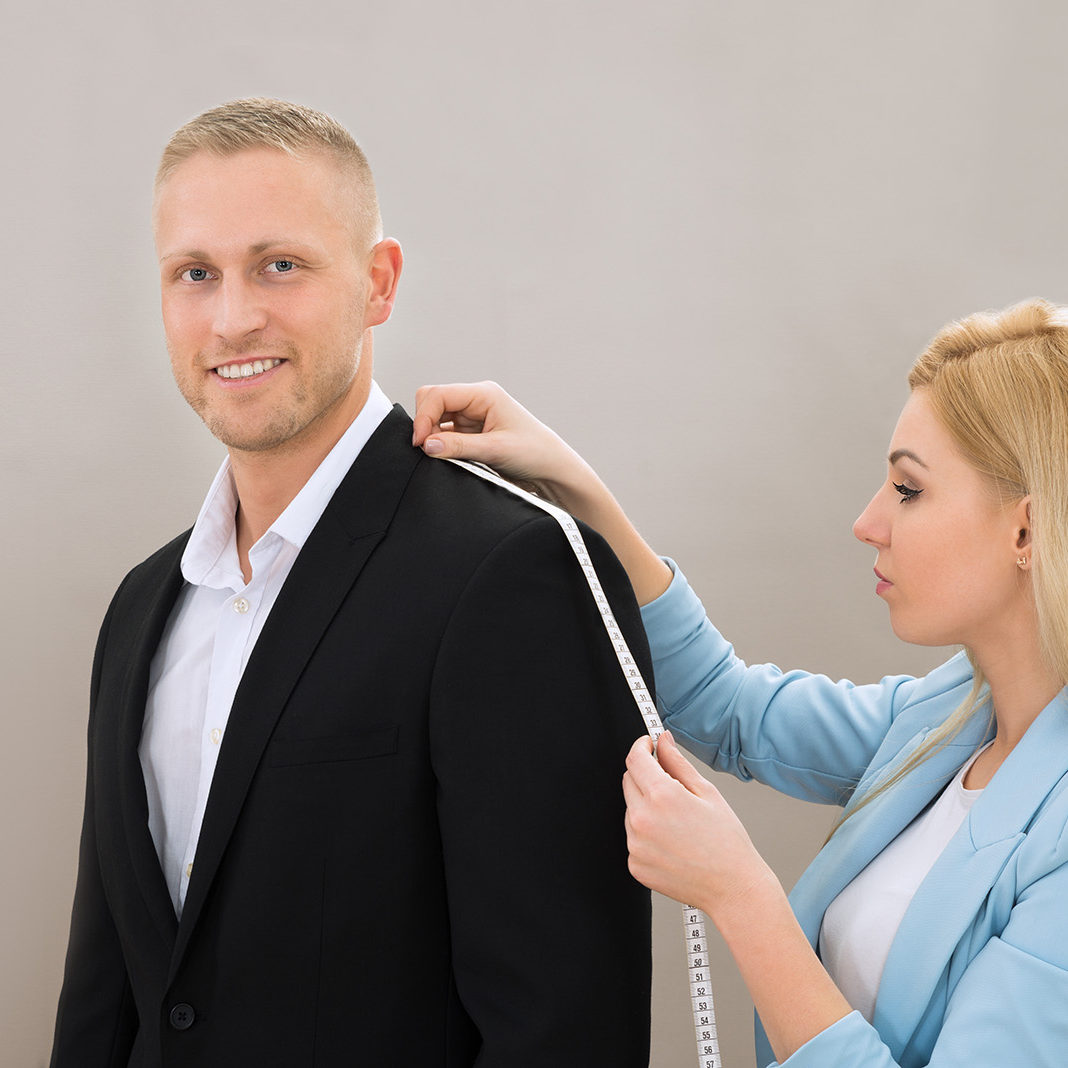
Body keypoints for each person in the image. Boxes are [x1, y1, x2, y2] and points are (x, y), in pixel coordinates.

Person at [50, 98, 653, 1068]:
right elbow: (106, 1005)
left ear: (378, 283)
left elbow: (565, 1032)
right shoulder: (140, 608)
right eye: (194, 274)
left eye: (279, 265)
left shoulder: (510, 576)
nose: (233, 315)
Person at [411, 299, 1068, 1067]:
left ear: (1026, 530)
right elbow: (729, 709)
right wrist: (572, 480)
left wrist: (738, 892)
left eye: (909, 490)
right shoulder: (950, 716)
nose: (867, 522)